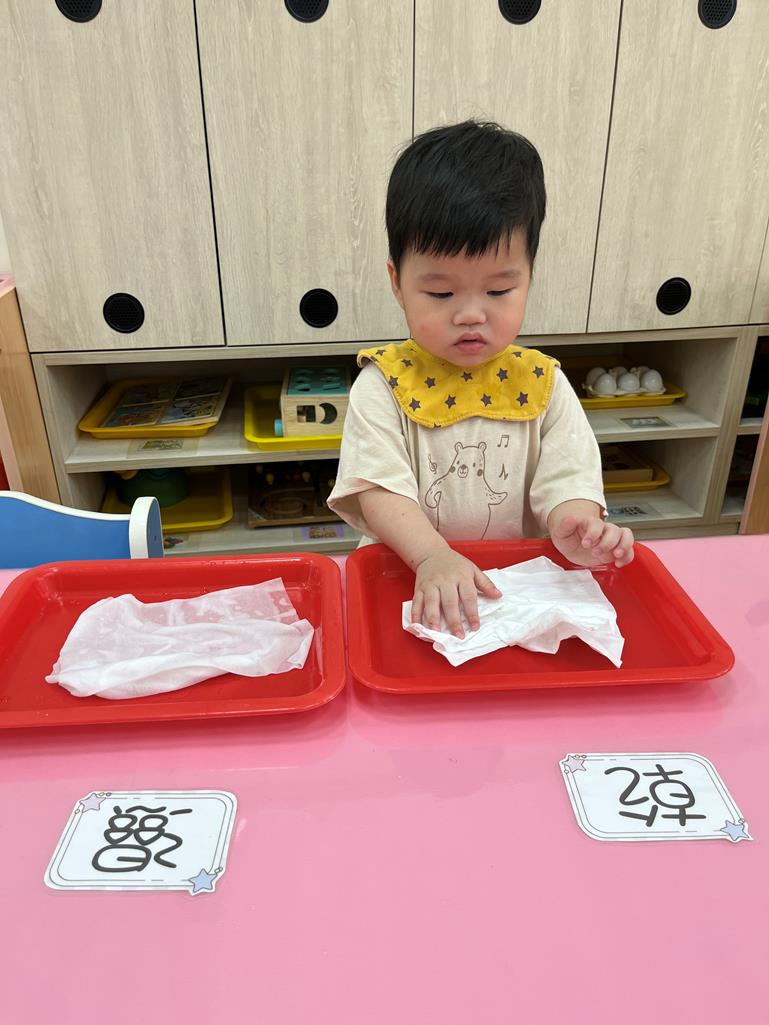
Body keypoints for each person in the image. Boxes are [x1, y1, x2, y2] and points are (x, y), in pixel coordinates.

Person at [327, 120, 634, 639]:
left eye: (498, 291)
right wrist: (431, 556)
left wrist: (576, 524)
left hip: (511, 588)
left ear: (528, 276)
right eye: (441, 294)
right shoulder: (383, 384)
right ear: (397, 283)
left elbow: (568, 475)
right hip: (407, 576)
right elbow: (378, 489)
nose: (470, 314)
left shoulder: (542, 383)